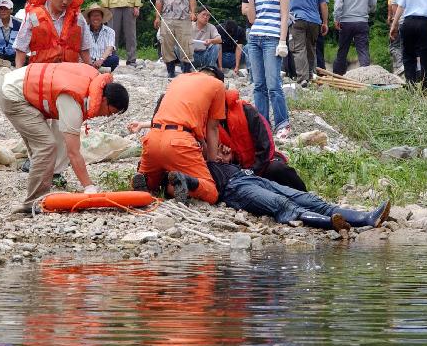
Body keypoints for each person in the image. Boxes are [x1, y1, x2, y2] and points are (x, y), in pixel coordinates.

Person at [0, 62, 129, 213]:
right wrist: (89, 187)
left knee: (55, 139)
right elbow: (73, 152)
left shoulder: (91, 83)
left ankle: (48, 177)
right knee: (46, 145)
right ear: (104, 100)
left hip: (21, 82)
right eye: (110, 112)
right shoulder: (73, 101)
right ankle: (32, 203)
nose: (107, 116)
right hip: (13, 96)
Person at [207, 161, 391, 231]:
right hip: (233, 189)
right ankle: (331, 223)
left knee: (310, 200)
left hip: (249, 176)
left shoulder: (207, 139)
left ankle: (367, 218)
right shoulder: (187, 162)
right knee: (283, 205)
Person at [132, 67, 226, 204]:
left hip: (152, 138)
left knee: (154, 185)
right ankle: (187, 181)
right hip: (179, 141)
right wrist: (212, 163)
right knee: (212, 193)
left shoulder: (179, 79)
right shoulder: (218, 85)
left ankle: (146, 181)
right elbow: (212, 128)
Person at [217, 89, 306, 191]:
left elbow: (266, 145)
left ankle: (305, 195)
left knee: (277, 169)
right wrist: (228, 161)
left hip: (262, 164)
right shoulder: (209, 124)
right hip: (237, 171)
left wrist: (252, 171)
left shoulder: (246, 109)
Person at [244, 0, 292, 140]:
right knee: (258, 85)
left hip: (272, 38)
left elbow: (285, 15)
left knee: (273, 84)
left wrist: (282, 41)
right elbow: (252, 18)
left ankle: (283, 123)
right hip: (255, 38)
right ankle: (263, 123)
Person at [14, 0, 93, 68]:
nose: (65, 1)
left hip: (68, 72)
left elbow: (84, 48)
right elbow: (21, 47)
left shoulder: (78, 18)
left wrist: (90, 69)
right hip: (41, 72)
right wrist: (17, 72)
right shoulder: (33, 16)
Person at [283, 0, 329, 87]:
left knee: (298, 49)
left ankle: (303, 79)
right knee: (310, 48)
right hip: (314, 20)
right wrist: (325, 22)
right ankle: (310, 75)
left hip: (296, 18)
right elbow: (323, 4)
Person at [153, 0, 197, 78]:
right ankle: (170, 72)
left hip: (184, 18)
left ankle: (186, 72)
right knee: (166, 45)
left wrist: (193, 12)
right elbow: (159, 0)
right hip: (167, 18)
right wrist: (157, 17)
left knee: (186, 45)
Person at [332, 0, 377, 75]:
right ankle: (366, 76)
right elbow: (374, 3)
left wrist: (336, 18)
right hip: (362, 22)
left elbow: (338, 4)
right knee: (363, 50)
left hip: (345, 22)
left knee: (342, 50)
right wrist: (367, 11)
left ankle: (338, 76)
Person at [388, 0, 416, 76]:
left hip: (404, 21)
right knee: (416, 48)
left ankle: (402, 70)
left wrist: (394, 23)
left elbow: (394, 6)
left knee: (401, 47)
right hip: (421, 19)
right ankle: (418, 71)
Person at [84, 4, 119, 71]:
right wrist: (89, 62)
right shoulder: (83, 31)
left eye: (98, 15)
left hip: (103, 60)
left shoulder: (110, 31)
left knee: (115, 59)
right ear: (89, 18)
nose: (95, 18)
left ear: (102, 17)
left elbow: (110, 47)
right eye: (93, 16)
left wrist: (101, 60)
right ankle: (97, 69)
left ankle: (94, 69)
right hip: (87, 61)